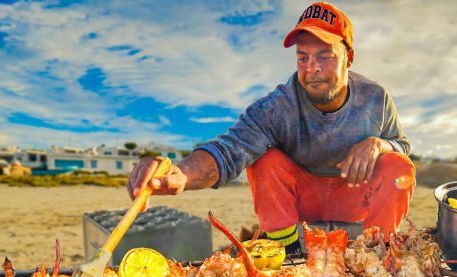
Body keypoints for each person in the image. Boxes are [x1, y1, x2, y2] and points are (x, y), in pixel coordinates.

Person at [127, 1, 415, 254]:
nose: (312, 67)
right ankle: (286, 251)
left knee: (397, 165)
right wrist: (181, 175)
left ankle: (380, 251)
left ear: (348, 58)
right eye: (303, 57)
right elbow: (231, 149)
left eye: (325, 55)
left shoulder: (375, 98)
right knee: (263, 158)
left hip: (353, 195)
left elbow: (401, 145)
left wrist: (379, 144)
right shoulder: (277, 106)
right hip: (304, 202)